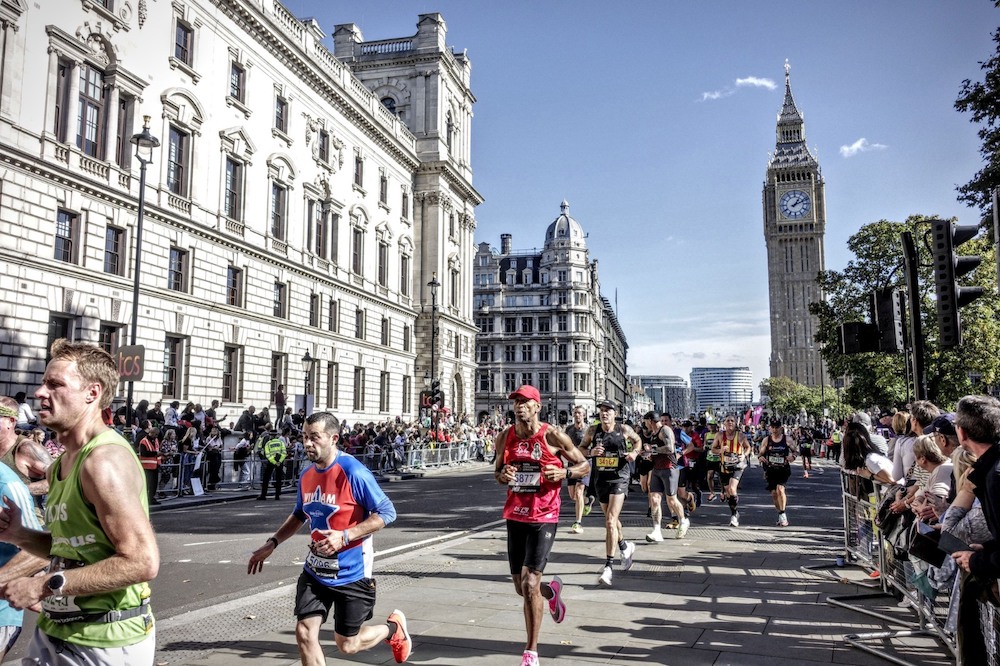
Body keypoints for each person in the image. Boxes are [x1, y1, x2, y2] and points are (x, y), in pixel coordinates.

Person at [0, 339, 158, 662]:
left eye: (55, 384)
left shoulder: (103, 462)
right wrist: (20, 534)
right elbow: (69, 547)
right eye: (44, 383)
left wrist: (43, 586)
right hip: (55, 632)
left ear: (92, 393)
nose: (40, 393)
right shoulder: (61, 464)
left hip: (105, 641)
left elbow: (142, 561)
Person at [247, 411, 411, 664]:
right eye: (304, 437)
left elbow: (387, 512)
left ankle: (393, 630)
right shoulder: (307, 475)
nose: (307, 443)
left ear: (333, 438)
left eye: (315, 437)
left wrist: (344, 537)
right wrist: (273, 543)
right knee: (304, 632)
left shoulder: (354, 472)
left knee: (347, 645)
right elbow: (300, 514)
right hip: (315, 571)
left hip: (352, 572)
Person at [494, 385, 589, 666]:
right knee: (521, 587)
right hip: (515, 514)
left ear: (538, 406)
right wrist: (504, 474)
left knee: (530, 581)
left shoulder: (552, 435)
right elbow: (497, 472)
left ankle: (531, 652)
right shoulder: (504, 437)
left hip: (544, 515)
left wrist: (565, 471)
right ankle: (552, 593)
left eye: (525, 402)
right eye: (516, 402)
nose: (519, 406)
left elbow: (584, 464)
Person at [947, 395, 1000, 664]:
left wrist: (978, 560)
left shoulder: (994, 476)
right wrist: (988, 550)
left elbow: (950, 535)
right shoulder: (990, 470)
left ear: (962, 432)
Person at [579, 400, 642, 587]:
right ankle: (625, 546)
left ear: (615, 413)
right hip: (600, 479)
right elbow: (581, 449)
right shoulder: (593, 431)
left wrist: (635, 454)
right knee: (611, 519)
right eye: (601, 411)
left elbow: (638, 441)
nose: (604, 414)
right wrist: (591, 452)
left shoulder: (623, 429)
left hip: (620, 477)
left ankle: (608, 566)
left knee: (610, 521)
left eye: (608, 411)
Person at [641, 411, 687, 542]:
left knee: (671, 500)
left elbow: (670, 448)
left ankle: (683, 520)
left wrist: (653, 451)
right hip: (657, 468)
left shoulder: (665, 430)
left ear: (650, 420)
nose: (645, 426)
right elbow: (656, 451)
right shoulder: (653, 434)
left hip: (669, 469)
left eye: (645, 422)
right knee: (654, 499)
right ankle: (656, 530)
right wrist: (649, 456)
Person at [712, 416, 752, 527]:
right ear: (724, 423)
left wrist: (744, 455)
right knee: (728, 492)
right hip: (724, 467)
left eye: (732, 421)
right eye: (728, 421)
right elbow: (712, 449)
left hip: (737, 466)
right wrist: (720, 450)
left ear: (735, 424)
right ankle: (734, 511)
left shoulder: (740, 435)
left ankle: (734, 515)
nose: (730, 423)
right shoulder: (720, 435)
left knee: (732, 488)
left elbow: (748, 447)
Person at [563, 405, 594, 533]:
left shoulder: (589, 430)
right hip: (572, 464)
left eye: (580, 413)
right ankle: (588, 500)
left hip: (584, 464)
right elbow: (563, 444)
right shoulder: (569, 429)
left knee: (579, 491)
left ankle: (578, 522)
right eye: (575, 413)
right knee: (573, 495)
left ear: (584, 415)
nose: (577, 415)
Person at [758, 419, 795, 526]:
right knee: (774, 493)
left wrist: (792, 457)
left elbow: (795, 451)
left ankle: (783, 515)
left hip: (783, 469)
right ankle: (780, 514)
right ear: (770, 428)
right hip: (771, 469)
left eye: (777, 427)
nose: (774, 429)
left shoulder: (787, 439)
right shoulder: (766, 440)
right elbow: (761, 453)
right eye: (773, 427)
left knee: (780, 489)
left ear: (781, 428)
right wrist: (761, 458)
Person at [257, 430, 288, 500]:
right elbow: (284, 453)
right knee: (278, 479)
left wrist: (274, 462)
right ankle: (277, 495)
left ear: (270, 435)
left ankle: (263, 495)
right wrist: (279, 461)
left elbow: (267, 455)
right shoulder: (281, 442)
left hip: (271, 461)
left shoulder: (268, 443)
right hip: (279, 461)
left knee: (266, 478)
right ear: (276, 435)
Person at [137, 425, 161, 506]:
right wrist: (156, 453)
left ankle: (151, 498)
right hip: (147, 466)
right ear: (152, 433)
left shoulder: (156, 440)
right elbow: (144, 453)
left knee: (154, 484)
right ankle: (145, 498)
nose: (156, 436)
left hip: (155, 465)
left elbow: (157, 450)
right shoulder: (144, 441)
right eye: (156, 434)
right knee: (147, 484)